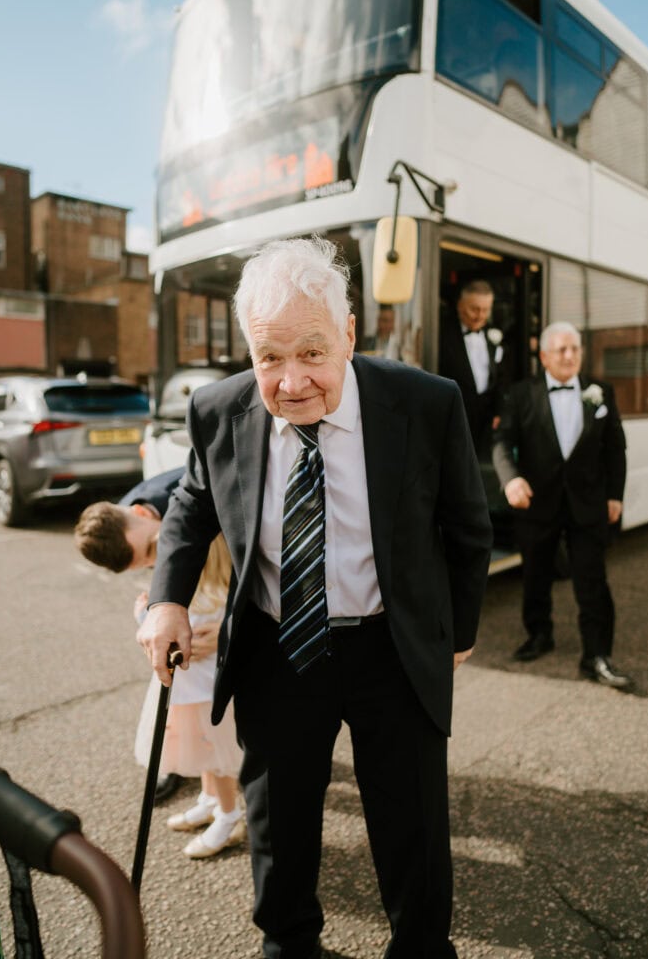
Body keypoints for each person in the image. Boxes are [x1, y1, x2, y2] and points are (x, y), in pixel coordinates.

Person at [138, 235, 492, 959]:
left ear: (349, 335)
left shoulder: (424, 403)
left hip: (388, 646)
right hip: (278, 648)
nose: (291, 381)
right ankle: (289, 944)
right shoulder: (218, 411)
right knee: (279, 821)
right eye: (269, 357)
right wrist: (167, 596)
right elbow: (191, 504)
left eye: (311, 352)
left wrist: (454, 633)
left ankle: (421, 949)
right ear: (249, 351)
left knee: (411, 823)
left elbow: (466, 525)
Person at [76, 476, 246, 849]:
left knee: (215, 751)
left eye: (156, 549)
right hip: (189, 683)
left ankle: (229, 814)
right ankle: (211, 800)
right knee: (201, 748)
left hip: (207, 683)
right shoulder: (127, 524)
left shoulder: (204, 535)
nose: (158, 565)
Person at [492, 321, 632, 690]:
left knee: (592, 581)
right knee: (536, 575)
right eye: (562, 350)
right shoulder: (522, 394)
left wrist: (614, 495)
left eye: (575, 349)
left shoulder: (601, 392)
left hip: (588, 505)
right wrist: (512, 479)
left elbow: (615, 449)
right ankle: (539, 634)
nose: (570, 356)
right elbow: (502, 442)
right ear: (544, 357)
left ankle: (597, 655)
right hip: (539, 504)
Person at [75, 468, 187, 803]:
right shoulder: (120, 522)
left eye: (153, 552)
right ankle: (180, 760)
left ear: (140, 514)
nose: (155, 564)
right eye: (144, 565)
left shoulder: (189, 494)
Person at [135, 534, 245, 859]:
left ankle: (229, 816)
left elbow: (155, 630)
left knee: (216, 759)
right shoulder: (214, 599)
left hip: (206, 698)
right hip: (195, 695)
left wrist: (142, 610)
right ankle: (209, 801)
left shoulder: (200, 605)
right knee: (205, 756)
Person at [439, 279, 504, 453]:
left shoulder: (493, 335)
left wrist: (498, 411)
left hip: (484, 420)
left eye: (485, 310)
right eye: (474, 309)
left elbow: (499, 377)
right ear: (460, 305)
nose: (480, 315)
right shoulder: (442, 334)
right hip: (452, 415)